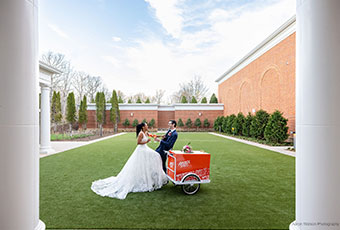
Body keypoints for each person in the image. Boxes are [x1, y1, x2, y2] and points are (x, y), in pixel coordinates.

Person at [91, 123, 167, 200]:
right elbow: (138, 143)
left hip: (145, 149)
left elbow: (152, 136)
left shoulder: (146, 132)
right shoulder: (141, 134)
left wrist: (161, 137)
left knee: (155, 157)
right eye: (146, 125)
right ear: (143, 127)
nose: (148, 126)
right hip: (142, 150)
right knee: (155, 156)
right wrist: (146, 142)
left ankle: (154, 176)